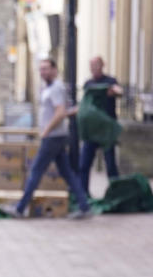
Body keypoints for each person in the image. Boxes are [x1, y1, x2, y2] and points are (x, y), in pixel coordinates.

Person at [10, 58, 91, 219]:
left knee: (36, 171)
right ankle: (84, 206)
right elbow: (65, 110)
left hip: (52, 137)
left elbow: (60, 112)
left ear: (54, 69)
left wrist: (46, 130)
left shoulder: (55, 88)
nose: (43, 72)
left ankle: (20, 208)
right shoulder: (51, 88)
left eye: (46, 68)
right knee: (67, 173)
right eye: (41, 69)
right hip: (58, 136)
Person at [79, 56, 122, 193]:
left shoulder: (110, 81)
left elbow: (119, 91)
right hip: (91, 131)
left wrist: (111, 91)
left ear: (102, 65)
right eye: (91, 65)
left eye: (96, 65)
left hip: (106, 131)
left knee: (110, 165)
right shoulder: (88, 84)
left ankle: (116, 193)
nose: (94, 68)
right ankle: (84, 196)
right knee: (84, 165)